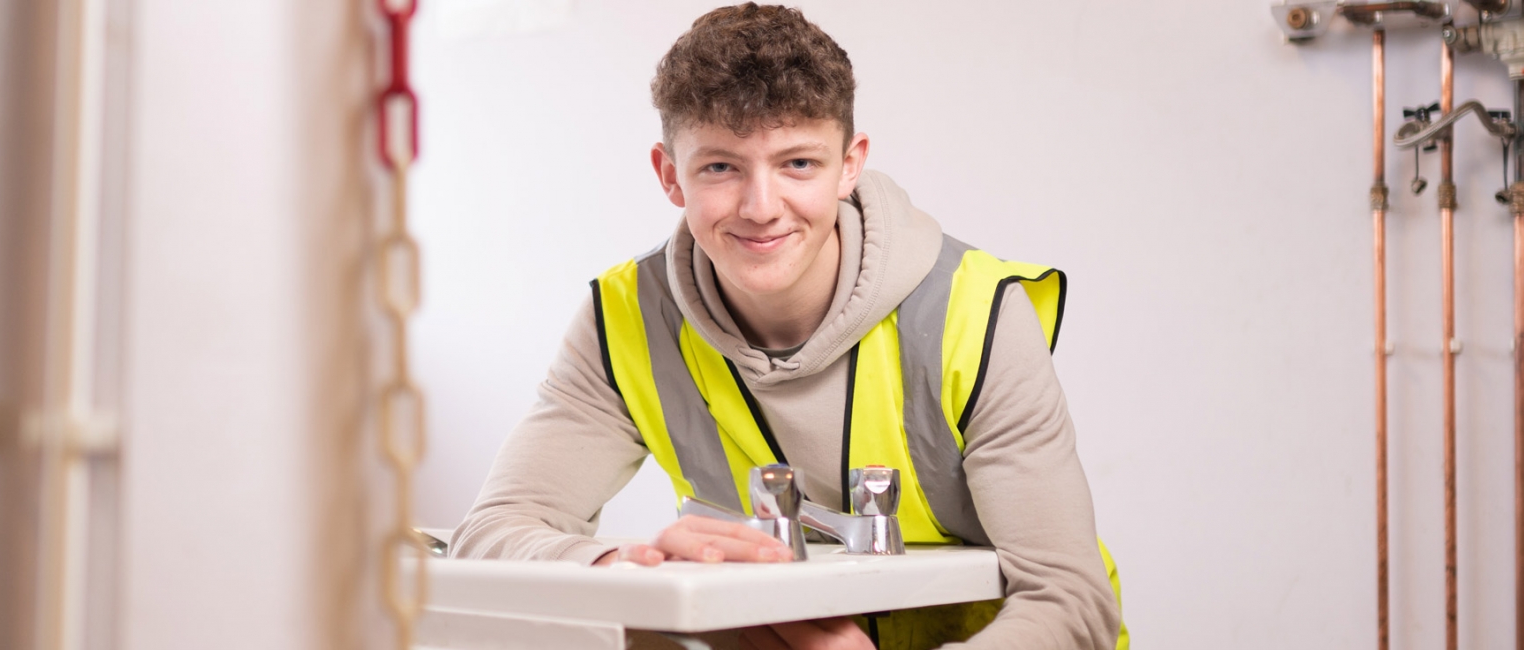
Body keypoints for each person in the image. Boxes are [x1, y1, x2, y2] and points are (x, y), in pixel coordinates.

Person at [450, 4, 1124, 649]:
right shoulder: (624, 317)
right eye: (721, 166)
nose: (761, 207)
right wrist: (619, 567)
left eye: (798, 163)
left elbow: (1071, 601)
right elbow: (491, 535)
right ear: (670, 175)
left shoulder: (975, 314)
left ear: (850, 164)